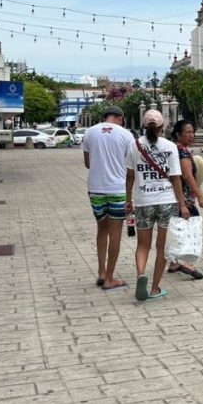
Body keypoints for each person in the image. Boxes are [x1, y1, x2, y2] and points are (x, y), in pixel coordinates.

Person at [125, 109, 188, 301]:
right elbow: (176, 178)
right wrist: (182, 204)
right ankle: (154, 288)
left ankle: (141, 274)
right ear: (162, 127)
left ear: (144, 126)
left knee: (143, 245)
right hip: (167, 201)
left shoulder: (134, 146)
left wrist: (128, 200)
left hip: (143, 201)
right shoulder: (170, 146)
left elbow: (130, 176)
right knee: (162, 247)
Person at [82, 105, 134, 291]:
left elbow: (88, 163)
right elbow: (130, 167)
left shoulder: (89, 132)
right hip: (117, 189)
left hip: (95, 188)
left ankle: (101, 272)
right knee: (115, 232)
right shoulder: (126, 135)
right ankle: (110, 278)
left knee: (101, 230)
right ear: (119, 117)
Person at [169, 120, 203, 279]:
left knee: (177, 228)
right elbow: (187, 176)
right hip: (184, 198)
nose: (192, 135)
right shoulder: (182, 152)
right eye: (188, 132)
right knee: (191, 228)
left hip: (173, 196)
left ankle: (173, 261)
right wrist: (200, 195)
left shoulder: (172, 148)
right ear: (178, 134)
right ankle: (187, 263)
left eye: (193, 132)